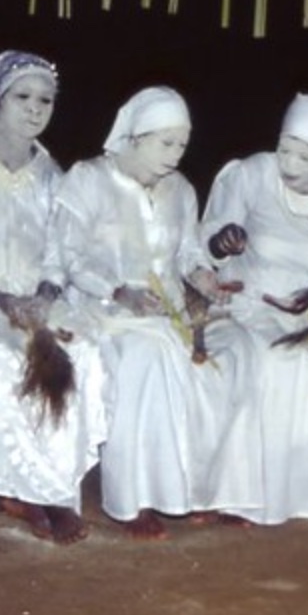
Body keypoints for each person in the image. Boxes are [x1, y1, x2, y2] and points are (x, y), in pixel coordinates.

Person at [49, 86, 235, 540]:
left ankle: (192, 490)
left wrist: (204, 278)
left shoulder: (182, 190)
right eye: (165, 143)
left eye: (182, 145)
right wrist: (119, 291)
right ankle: (134, 499)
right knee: (144, 359)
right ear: (134, 137)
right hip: (103, 309)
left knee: (229, 357)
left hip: (166, 312)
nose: (175, 155)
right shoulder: (88, 178)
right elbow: (71, 256)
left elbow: (189, 254)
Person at [0, 51, 106, 545]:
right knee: (3, 356)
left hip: (34, 298)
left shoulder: (52, 173)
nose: (35, 109)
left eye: (45, 100)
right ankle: (22, 490)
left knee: (80, 352)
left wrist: (44, 295)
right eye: (23, 97)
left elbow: (62, 249)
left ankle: (55, 488)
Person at [201, 92, 308, 527]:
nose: (289, 164)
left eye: (304, 156)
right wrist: (223, 240)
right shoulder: (252, 172)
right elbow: (208, 238)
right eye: (284, 150)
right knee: (268, 361)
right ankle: (242, 494)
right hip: (249, 303)